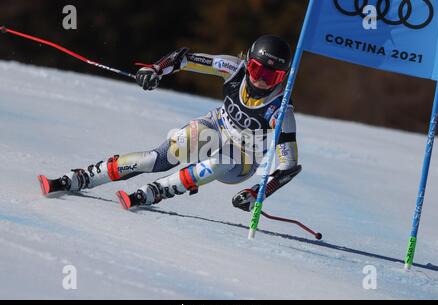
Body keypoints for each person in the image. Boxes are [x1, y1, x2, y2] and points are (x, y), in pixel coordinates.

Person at [37, 35, 301, 212]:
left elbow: (288, 167)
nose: (262, 79)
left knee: (222, 161)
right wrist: (155, 69)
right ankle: (82, 178)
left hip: (244, 157)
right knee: (157, 158)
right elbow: (184, 58)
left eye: (272, 74)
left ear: (283, 76)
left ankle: (157, 191)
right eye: (257, 69)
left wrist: (258, 193)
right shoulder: (233, 68)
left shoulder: (281, 110)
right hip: (217, 126)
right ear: (248, 63)